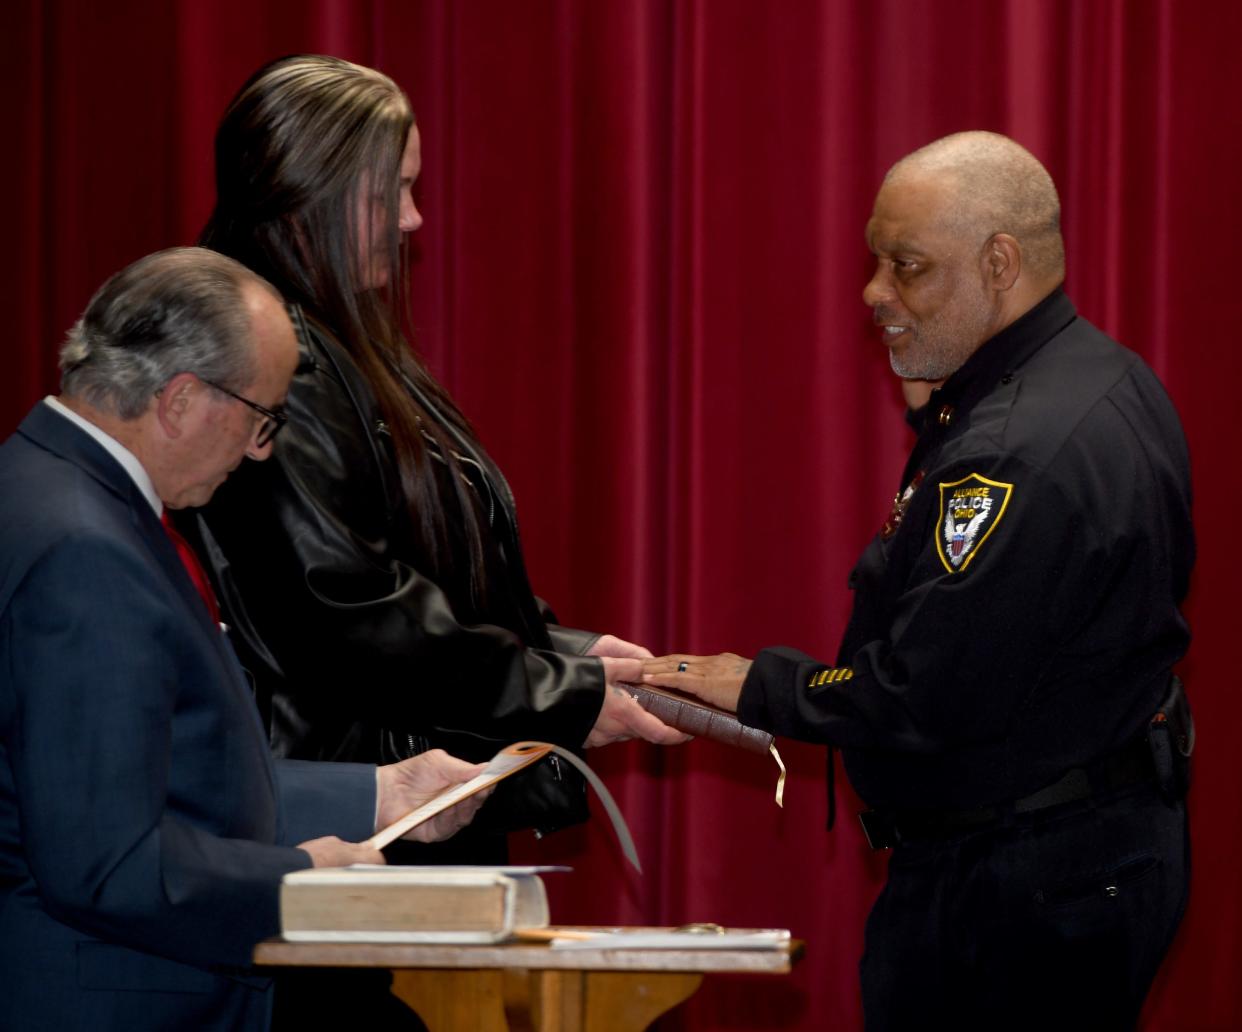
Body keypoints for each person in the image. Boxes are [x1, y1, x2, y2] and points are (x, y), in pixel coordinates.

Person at [643, 131, 1193, 1029]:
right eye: (877, 261)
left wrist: (760, 686)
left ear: (1000, 263)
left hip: (1021, 888)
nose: (874, 293)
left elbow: (924, 697)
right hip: (1087, 850)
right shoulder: (1100, 376)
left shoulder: (1013, 449)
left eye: (908, 268)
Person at [194, 53, 684, 851]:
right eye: (390, 194)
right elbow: (343, 611)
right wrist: (554, 687)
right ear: (302, 191)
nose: (414, 219)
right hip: (346, 815)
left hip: (394, 794)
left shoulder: (336, 343)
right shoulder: (281, 363)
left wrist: (555, 647)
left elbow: (416, 576)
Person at [0, 248, 486, 1032]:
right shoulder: (82, 548)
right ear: (182, 399)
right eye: (263, 419)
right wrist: (297, 881)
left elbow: (152, 778)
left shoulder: (43, 489)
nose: (261, 450)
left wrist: (380, 794)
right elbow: (106, 861)